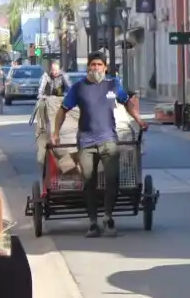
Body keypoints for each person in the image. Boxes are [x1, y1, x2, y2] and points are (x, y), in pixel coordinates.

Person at [50, 52, 148, 238]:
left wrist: (139, 120)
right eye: (93, 64)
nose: (96, 68)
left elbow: (127, 103)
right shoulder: (79, 88)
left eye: (99, 65)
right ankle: (93, 222)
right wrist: (55, 133)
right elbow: (63, 111)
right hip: (86, 142)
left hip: (108, 139)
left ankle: (108, 217)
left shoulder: (113, 85)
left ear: (105, 67)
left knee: (112, 179)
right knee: (89, 182)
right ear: (88, 67)